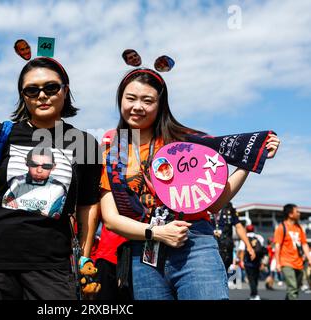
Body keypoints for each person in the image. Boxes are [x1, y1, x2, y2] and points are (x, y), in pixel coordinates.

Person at [99, 67, 280, 300]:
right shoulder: (111, 155)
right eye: (130, 98)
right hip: (143, 252)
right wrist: (157, 233)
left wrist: (249, 160)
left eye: (147, 100)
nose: (137, 107)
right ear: (120, 100)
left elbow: (214, 204)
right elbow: (111, 220)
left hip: (195, 246)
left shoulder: (183, 142)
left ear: (160, 104)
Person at [0, 57, 101, 300]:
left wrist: (84, 255)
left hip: (54, 266)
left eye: (51, 87)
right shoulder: (1, 133)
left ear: (65, 90)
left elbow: (87, 205)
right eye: (32, 90)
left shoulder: (85, 144)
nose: (42, 95)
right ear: (23, 96)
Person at [2, 147, 68, 219]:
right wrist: (6, 200)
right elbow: (3, 203)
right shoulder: (16, 181)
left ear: (53, 167)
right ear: (26, 162)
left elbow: (54, 217)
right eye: (34, 164)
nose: (39, 170)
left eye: (46, 166)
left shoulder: (58, 188)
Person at [274, 204, 311, 300]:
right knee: (293, 288)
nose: (299, 213)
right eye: (297, 211)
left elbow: (304, 244)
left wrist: (310, 259)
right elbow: (277, 246)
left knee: (295, 288)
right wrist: (278, 263)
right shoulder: (281, 227)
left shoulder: (299, 228)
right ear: (290, 214)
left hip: (299, 263)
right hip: (286, 262)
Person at [210, 202, 256, 275]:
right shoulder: (204, 204)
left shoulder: (229, 207)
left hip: (226, 249)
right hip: (209, 249)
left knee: (224, 275)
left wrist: (249, 246)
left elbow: (239, 227)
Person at [238, 224, 265, 300]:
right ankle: (253, 294)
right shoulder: (259, 237)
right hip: (257, 260)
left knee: (251, 278)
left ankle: (255, 294)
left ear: (246, 230)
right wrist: (262, 262)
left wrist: (241, 261)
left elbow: (242, 251)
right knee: (256, 278)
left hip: (248, 261)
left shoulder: (245, 238)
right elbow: (262, 250)